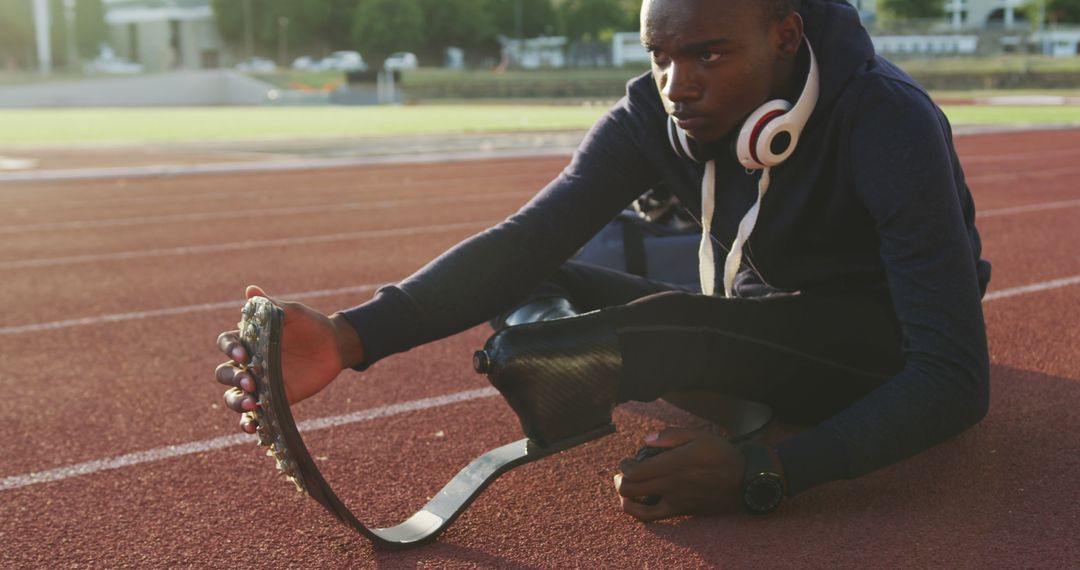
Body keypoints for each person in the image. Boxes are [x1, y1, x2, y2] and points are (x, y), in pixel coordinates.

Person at [216, 0, 990, 522]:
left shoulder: (887, 120)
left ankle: (591, 357)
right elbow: (529, 238)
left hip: (875, 356)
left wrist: (767, 472)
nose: (676, 85)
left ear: (785, 36)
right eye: (659, 55)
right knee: (533, 279)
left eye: (707, 55)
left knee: (683, 323)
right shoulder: (654, 111)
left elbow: (955, 380)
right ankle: (567, 368)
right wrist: (353, 337)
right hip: (756, 329)